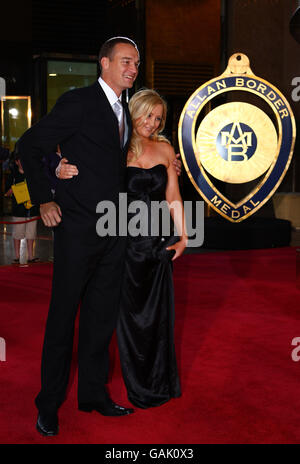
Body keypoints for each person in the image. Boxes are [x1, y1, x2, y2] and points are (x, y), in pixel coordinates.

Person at [18, 36, 141, 437]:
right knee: (62, 318)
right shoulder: (78, 102)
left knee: (100, 317)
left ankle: (93, 394)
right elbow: (29, 144)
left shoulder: (126, 108)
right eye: (125, 61)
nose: (132, 69)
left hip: (114, 227)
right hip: (77, 229)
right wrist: (43, 198)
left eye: (136, 64)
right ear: (103, 63)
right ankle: (48, 404)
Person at [58, 89, 187, 409]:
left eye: (159, 118)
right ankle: (97, 389)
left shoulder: (166, 149)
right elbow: (71, 150)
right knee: (112, 319)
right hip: (118, 244)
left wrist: (184, 238)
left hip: (157, 246)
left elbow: (172, 197)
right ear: (134, 111)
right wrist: (58, 165)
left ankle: (155, 383)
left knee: (157, 318)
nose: (152, 122)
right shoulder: (114, 145)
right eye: (148, 114)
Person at [5, 155, 40, 264]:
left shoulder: (32, 174)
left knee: (31, 234)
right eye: (20, 160)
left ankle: (30, 256)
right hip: (18, 210)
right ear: (16, 162)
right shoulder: (13, 175)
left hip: (32, 209)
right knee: (18, 233)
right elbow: (6, 193)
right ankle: (16, 256)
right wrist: (14, 188)